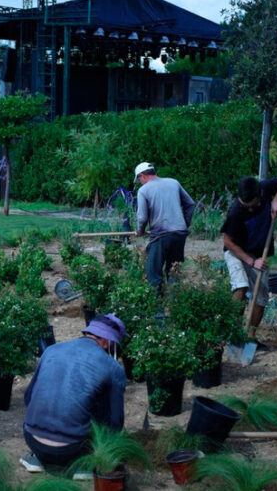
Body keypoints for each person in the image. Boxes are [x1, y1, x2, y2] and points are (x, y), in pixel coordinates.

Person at [20, 314, 127, 477]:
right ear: (107, 342)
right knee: (104, 404)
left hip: (33, 440)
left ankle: (38, 458)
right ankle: (84, 464)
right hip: (74, 449)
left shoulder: (51, 350)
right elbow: (116, 421)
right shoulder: (112, 367)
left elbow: (28, 398)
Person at [220, 175, 277, 339]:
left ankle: (250, 337)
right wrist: (251, 261)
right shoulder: (235, 212)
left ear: (260, 195)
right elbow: (228, 242)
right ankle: (234, 333)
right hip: (237, 252)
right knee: (241, 287)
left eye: (253, 206)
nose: (250, 210)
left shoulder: (264, 187)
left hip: (259, 251)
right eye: (246, 206)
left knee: (261, 297)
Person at [133, 162, 195, 290]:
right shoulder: (173, 183)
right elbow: (190, 204)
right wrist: (184, 223)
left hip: (161, 236)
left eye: (139, 179)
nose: (140, 182)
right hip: (180, 234)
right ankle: (175, 304)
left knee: (153, 274)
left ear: (143, 176)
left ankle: (158, 308)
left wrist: (140, 231)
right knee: (174, 271)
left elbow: (142, 217)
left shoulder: (143, 190)